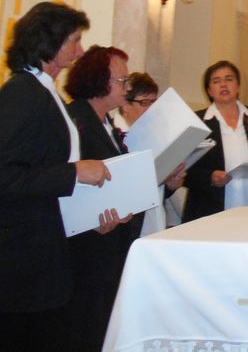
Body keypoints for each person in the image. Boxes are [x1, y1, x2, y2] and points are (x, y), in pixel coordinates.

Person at [0, 1, 110, 351]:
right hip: (8, 268)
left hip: (31, 261)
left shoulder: (44, 93)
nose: (80, 50)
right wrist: (74, 172)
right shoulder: (20, 95)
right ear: (49, 43)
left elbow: (38, 172)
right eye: (74, 40)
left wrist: (86, 217)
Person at [64, 45, 147, 351]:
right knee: (84, 329)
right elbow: (65, 179)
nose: (127, 87)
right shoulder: (75, 121)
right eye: (122, 81)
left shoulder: (106, 123)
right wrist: (90, 219)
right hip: (83, 248)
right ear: (99, 81)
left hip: (108, 243)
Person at [183, 60, 248, 221]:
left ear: (238, 86)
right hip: (208, 209)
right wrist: (210, 177)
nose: (223, 84)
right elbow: (184, 169)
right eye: (216, 81)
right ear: (209, 90)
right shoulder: (197, 121)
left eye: (229, 79)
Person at [114, 72, 187, 233]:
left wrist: (169, 185)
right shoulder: (116, 138)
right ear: (125, 104)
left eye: (154, 102)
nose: (152, 109)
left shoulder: (152, 136)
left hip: (153, 225)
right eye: (144, 102)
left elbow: (157, 193)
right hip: (126, 227)